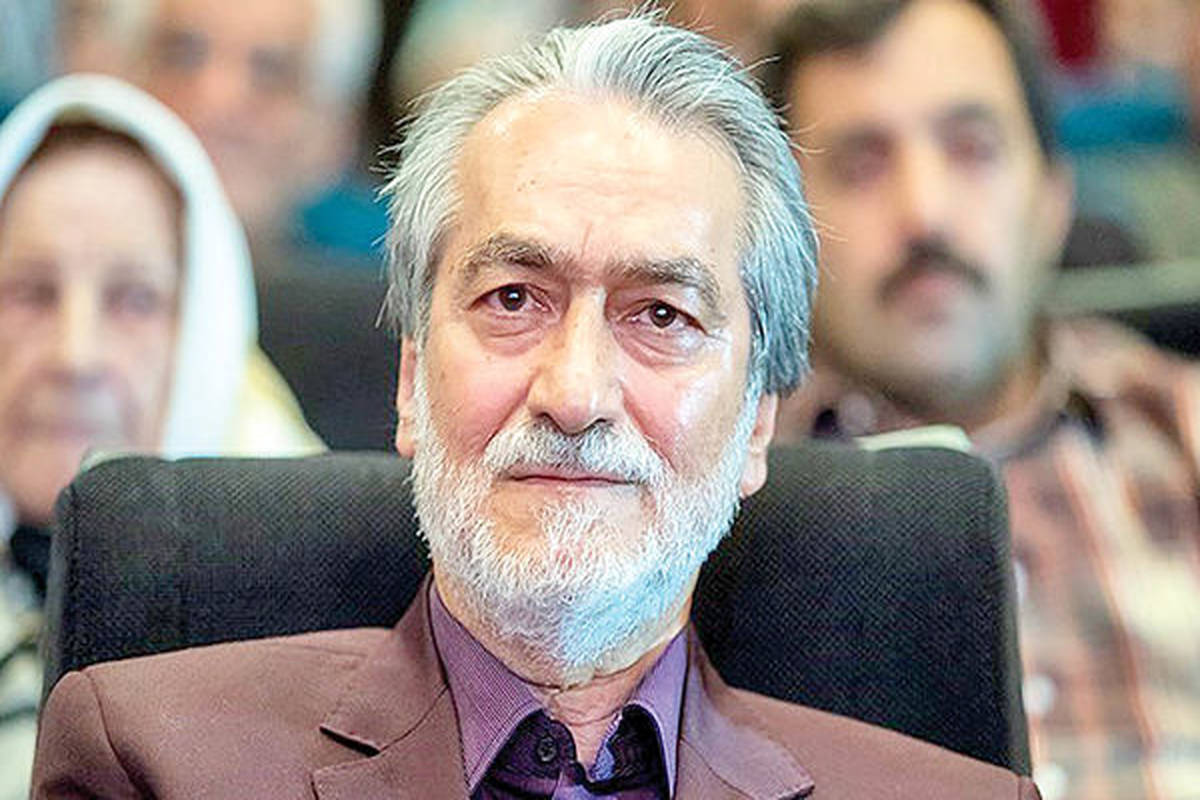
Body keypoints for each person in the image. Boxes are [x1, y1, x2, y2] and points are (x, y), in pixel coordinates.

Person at [31, 14, 1039, 799]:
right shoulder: (153, 759)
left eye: (662, 314)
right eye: (513, 299)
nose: (574, 393)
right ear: (411, 379)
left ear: (759, 421)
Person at [764, 1, 1200, 797]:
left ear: (1054, 195)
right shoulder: (730, 499)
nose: (924, 213)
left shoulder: (1184, 428)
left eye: (972, 149)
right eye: (860, 165)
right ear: (784, 235)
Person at [0, 73, 323, 799]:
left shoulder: (311, 607)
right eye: (31, 293)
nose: (75, 355)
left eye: (134, 300)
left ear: (202, 334)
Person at [59, 0, 383, 271]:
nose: (217, 101)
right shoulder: (38, 244)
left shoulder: (381, 274)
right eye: (181, 56)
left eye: (270, 71)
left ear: (335, 129)